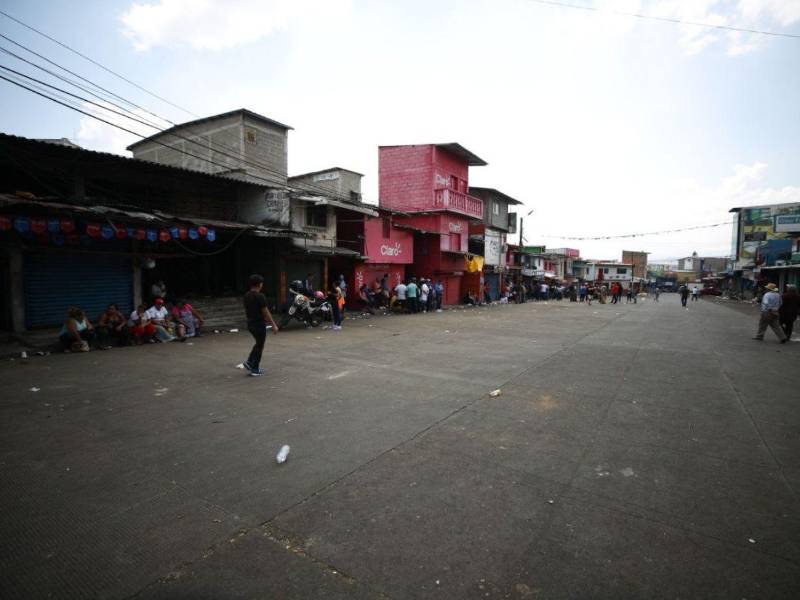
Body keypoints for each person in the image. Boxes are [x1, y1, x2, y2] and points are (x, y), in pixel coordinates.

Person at [242, 274, 279, 376]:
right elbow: (265, 312)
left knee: (258, 343)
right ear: (259, 284)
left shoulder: (247, 295)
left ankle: (249, 362)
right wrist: (274, 325)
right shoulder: (260, 296)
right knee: (260, 346)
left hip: (250, 323)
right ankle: (255, 369)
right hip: (258, 324)